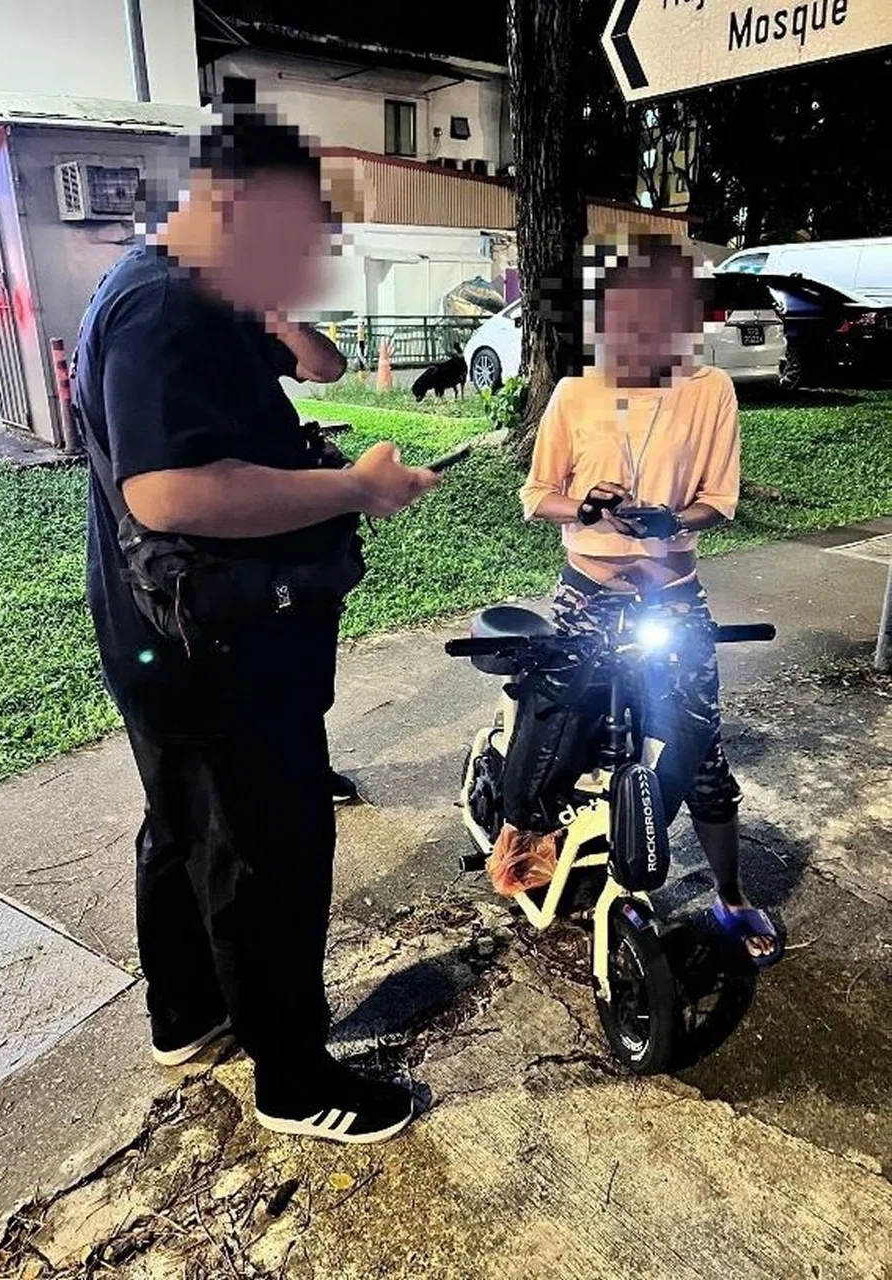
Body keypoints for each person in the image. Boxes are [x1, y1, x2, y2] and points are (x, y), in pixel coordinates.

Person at [73, 107, 439, 1145]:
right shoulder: (160, 311)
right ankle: (292, 1076)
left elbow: (316, 367)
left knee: (187, 830)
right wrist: (350, 490)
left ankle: (187, 1017)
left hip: (170, 637)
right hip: (219, 646)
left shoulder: (196, 290)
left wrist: (278, 306)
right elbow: (171, 493)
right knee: (270, 847)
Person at [500, 232, 782, 967]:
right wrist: (585, 510)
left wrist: (674, 521)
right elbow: (538, 497)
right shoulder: (575, 392)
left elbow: (717, 501)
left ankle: (729, 891)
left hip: (673, 598)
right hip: (586, 594)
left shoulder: (709, 390)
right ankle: (523, 833)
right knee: (553, 725)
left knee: (700, 751)